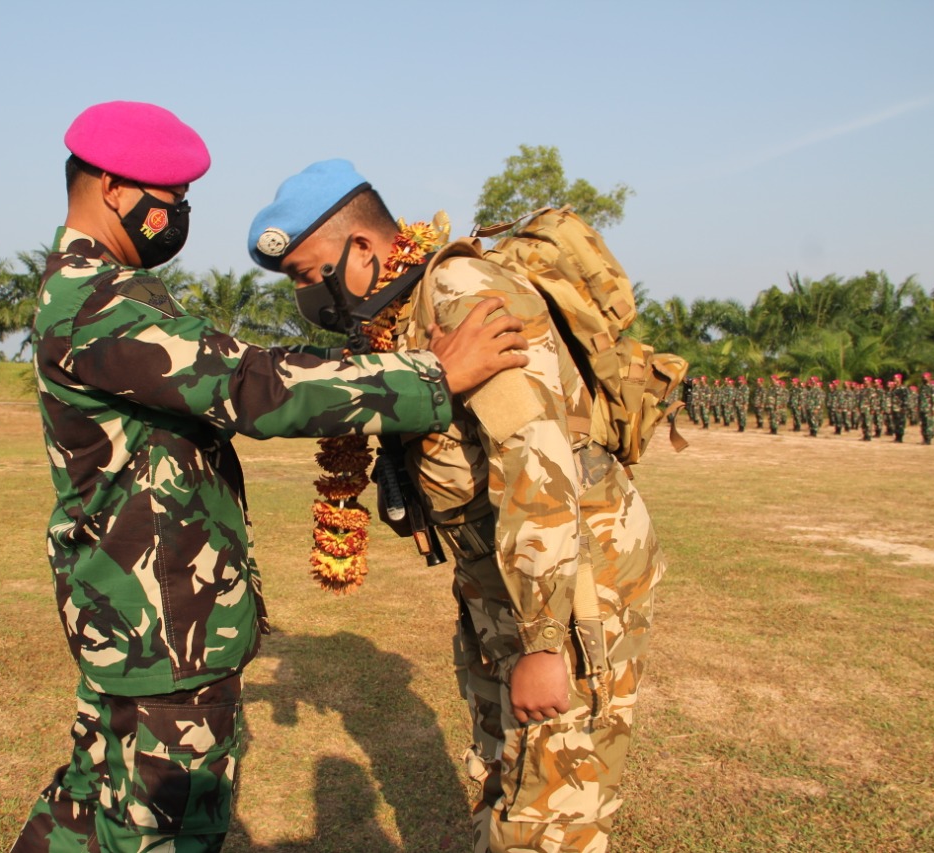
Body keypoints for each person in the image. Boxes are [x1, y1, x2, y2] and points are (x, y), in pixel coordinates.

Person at [11, 106, 530, 853]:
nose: (180, 214)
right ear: (113, 188)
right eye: (171, 197)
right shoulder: (98, 303)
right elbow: (248, 383)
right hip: (162, 630)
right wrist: (431, 379)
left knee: (86, 808)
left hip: (130, 615)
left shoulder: (95, 289)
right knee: (165, 828)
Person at [247, 159, 666, 853]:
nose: (302, 295)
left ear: (362, 248)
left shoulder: (458, 291)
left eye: (303, 272)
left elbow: (537, 465)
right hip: (497, 574)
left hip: (566, 577)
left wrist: (541, 642)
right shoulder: (399, 317)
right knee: (506, 762)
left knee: (551, 804)